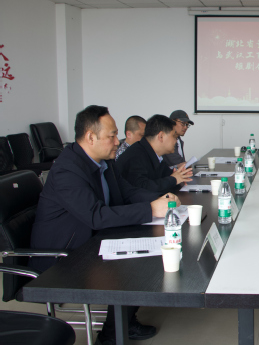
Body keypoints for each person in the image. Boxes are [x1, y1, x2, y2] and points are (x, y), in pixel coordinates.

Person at [29, 105, 180, 345]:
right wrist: (152, 209)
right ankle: (111, 335)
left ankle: (123, 323)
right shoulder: (67, 169)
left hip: (93, 238)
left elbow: (128, 192)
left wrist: (161, 200)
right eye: (112, 136)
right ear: (91, 137)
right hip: (62, 256)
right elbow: (96, 216)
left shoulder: (105, 162)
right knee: (136, 264)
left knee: (147, 251)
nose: (117, 142)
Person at [116, 114, 193, 193]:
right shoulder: (136, 155)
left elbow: (167, 176)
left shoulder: (155, 154)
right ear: (161, 136)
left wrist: (179, 175)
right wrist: (173, 179)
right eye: (173, 136)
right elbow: (142, 188)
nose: (176, 141)